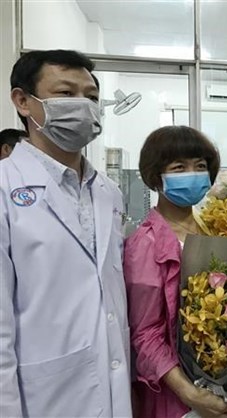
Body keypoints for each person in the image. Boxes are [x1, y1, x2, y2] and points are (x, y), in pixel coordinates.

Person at [0, 49, 132, 416]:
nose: (83, 106)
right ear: (23, 101)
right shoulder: (4, 188)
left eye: (90, 97)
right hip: (42, 397)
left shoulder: (108, 192)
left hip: (112, 386)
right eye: (65, 94)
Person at [123, 126, 227, 418]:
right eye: (179, 167)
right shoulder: (145, 244)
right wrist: (189, 392)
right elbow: (144, 334)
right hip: (174, 392)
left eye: (200, 166)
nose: (193, 174)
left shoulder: (215, 229)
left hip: (221, 383)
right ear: (156, 175)